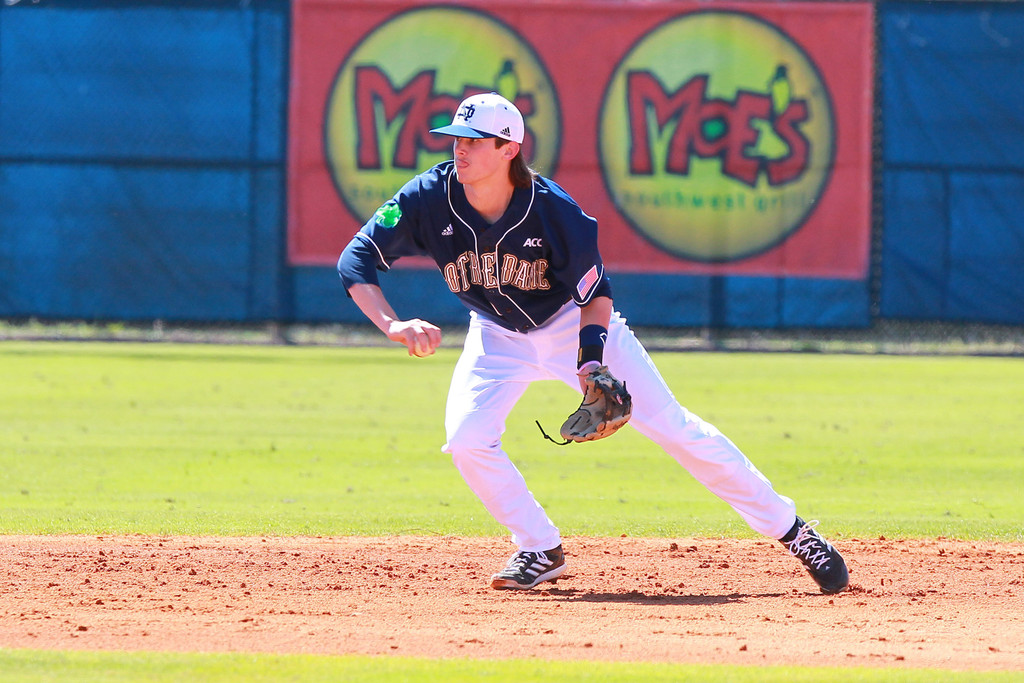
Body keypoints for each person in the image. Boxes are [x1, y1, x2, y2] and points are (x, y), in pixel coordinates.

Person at [337, 92, 849, 594]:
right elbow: (355, 259)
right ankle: (539, 548)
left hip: (569, 322)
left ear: (509, 149)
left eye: (475, 140)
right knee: (467, 440)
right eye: (457, 139)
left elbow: (595, 294)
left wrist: (590, 360)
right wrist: (392, 325)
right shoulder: (428, 197)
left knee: (674, 429)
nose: (460, 149)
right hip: (495, 333)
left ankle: (794, 532)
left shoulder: (553, 210)